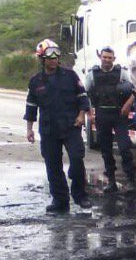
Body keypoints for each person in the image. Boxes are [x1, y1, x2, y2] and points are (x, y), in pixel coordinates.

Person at [25, 39, 91, 213]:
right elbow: (31, 106)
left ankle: (80, 195)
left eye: (56, 56)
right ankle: (60, 201)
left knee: (77, 160)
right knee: (53, 166)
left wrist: (81, 115)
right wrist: (29, 129)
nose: (53, 60)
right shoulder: (35, 81)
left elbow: (83, 98)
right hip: (49, 130)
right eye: (49, 57)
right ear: (42, 59)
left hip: (71, 126)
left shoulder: (70, 76)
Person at [84, 46, 136, 193]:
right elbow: (85, 94)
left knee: (125, 147)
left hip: (119, 114)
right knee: (106, 149)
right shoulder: (92, 75)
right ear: (100, 57)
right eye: (104, 57)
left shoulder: (122, 73)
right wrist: (90, 113)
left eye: (110, 57)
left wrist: (127, 105)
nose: (107, 60)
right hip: (102, 114)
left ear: (114, 59)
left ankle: (131, 180)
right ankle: (111, 181)